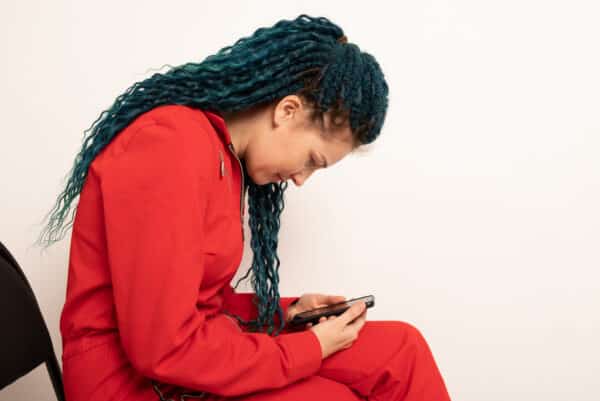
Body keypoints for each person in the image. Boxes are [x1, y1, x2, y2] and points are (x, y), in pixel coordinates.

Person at [35, 14, 451, 401]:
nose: (303, 178)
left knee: (402, 348)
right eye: (312, 159)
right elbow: (163, 347)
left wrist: (286, 315)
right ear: (287, 111)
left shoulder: (222, 157)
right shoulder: (169, 146)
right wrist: (307, 349)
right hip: (132, 385)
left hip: (180, 360)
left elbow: (197, 303)